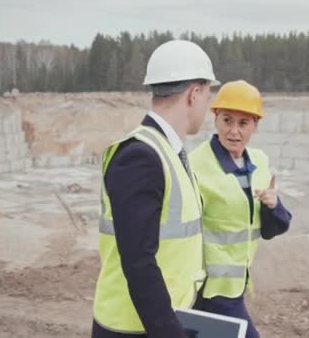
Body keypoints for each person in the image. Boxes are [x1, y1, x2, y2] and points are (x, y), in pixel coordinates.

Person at [92, 40, 219, 338]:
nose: (208, 105)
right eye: (208, 94)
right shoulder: (140, 157)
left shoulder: (169, 152)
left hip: (166, 320)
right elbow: (139, 264)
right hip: (134, 329)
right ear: (193, 93)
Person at [189, 80, 292, 338]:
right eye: (227, 120)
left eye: (243, 123)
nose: (233, 131)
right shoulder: (196, 165)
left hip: (236, 286)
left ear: (255, 125)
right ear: (215, 119)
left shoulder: (258, 161)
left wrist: (273, 205)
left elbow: (270, 229)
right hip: (209, 289)